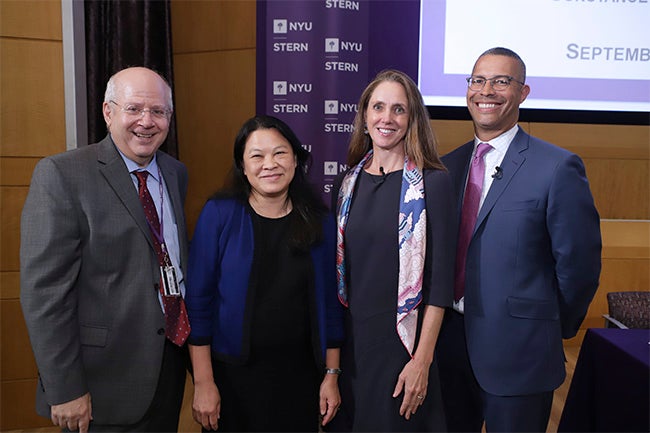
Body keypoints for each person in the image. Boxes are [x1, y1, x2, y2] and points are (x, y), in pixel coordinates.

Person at [437, 47, 602, 432]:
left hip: (521, 354)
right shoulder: (446, 167)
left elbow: (578, 267)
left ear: (523, 92)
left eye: (501, 81)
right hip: (445, 350)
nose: (487, 90)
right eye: (478, 80)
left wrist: (546, 325)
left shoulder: (557, 167)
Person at [20, 67, 190, 432]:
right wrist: (64, 389)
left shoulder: (176, 174)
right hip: (98, 383)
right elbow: (45, 295)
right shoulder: (62, 174)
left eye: (158, 111)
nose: (147, 121)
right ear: (108, 112)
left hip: (166, 367)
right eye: (134, 109)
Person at [185, 115, 344, 432]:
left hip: (300, 379)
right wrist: (203, 382)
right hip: (232, 379)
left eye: (280, 153)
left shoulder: (320, 220)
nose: (269, 164)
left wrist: (331, 375)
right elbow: (198, 303)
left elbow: (330, 304)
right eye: (256, 156)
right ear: (243, 167)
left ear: (296, 159)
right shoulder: (219, 214)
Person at [331, 69, 456, 432]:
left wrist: (422, 361)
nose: (387, 118)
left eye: (399, 109)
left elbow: (440, 285)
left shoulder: (434, 183)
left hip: (403, 347)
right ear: (365, 116)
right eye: (378, 107)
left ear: (412, 119)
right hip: (353, 346)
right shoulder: (346, 182)